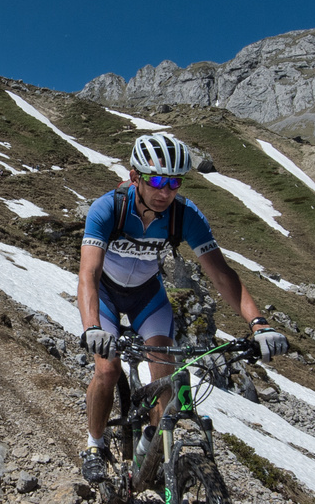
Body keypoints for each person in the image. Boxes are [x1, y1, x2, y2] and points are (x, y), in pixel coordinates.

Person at [77, 134, 287, 484]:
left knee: (167, 379)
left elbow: (221, 275)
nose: (166, 191)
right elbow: (89, 272)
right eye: (157, 180)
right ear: (134, 177)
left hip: (147, 296)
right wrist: (92, 327)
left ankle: (150, 444)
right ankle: (94, 445)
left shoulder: (184, 215)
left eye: (174, 182)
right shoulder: (108, 208)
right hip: (106, 296)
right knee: (108, 370)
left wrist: (259, 324)